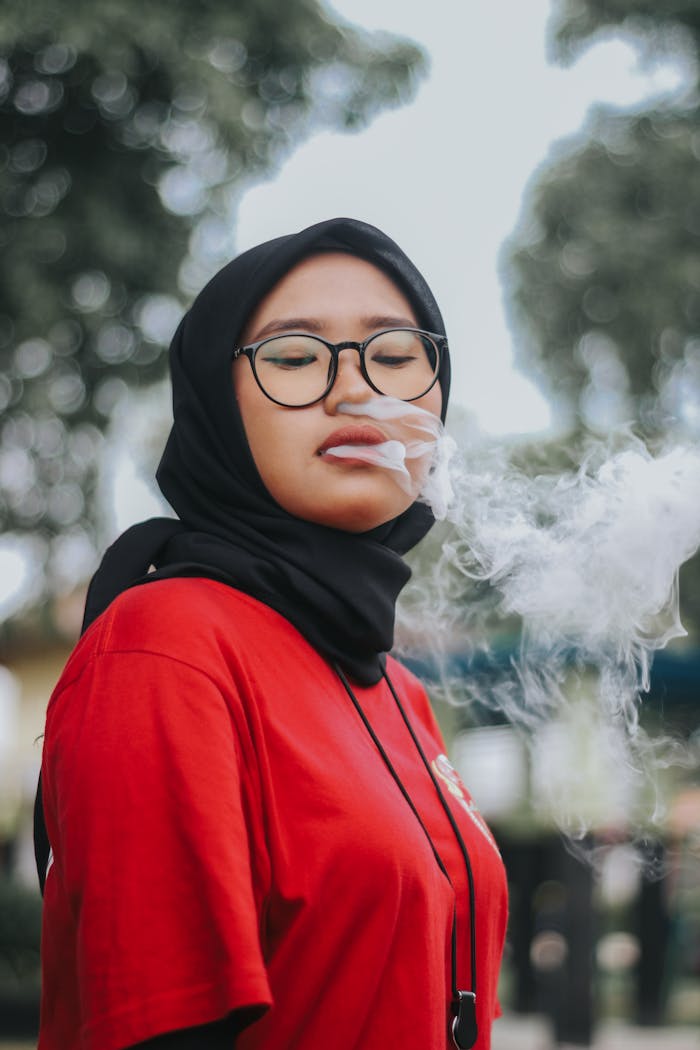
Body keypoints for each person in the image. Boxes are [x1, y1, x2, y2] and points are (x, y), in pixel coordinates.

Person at [35, 218, 508, 1050]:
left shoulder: (398, 689)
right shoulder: (165, 647)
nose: (355, 390)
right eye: (293, 357)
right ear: (217, 406)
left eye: (397, 355)